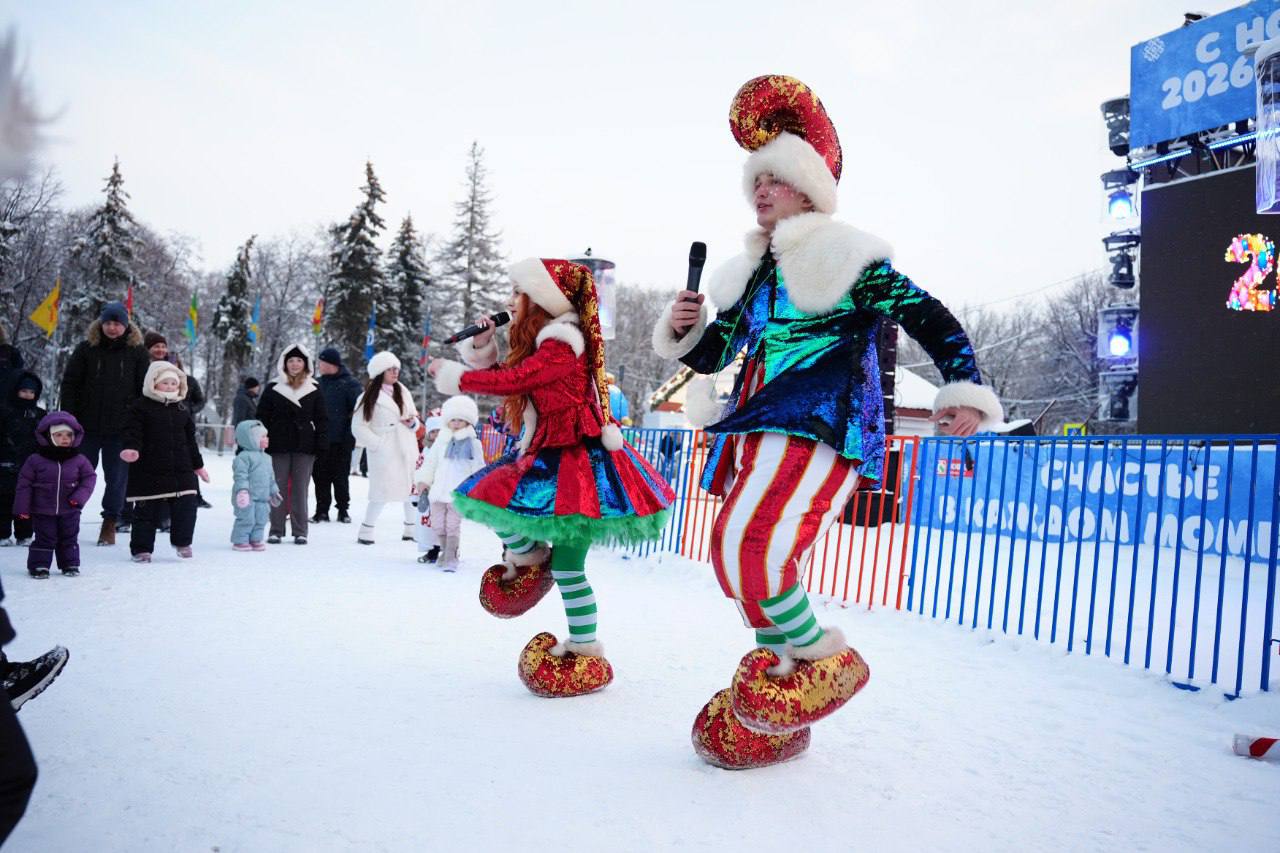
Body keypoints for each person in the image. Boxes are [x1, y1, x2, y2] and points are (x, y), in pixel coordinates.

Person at [654, 76, 1002, 768]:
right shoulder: (758, 272)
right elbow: (721, 350)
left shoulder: (847, 255)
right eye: (756, 182)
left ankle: (823, 659)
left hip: (823, 420)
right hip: (761, 419)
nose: (761, 192)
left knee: (752, 547)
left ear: (809, 190)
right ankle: (777, 698)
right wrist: (686, 329)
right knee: (738, 552)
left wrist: (963, 388)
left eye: (776, 180)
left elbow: (929, 315)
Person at [430, 258, 674, 697]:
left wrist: (460, 377)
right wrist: (483, 346)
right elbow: (516, 375)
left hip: (582, 467)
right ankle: (531, 557)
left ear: (538, 301)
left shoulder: (564, 343)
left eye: (517, 294)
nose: (510, 301)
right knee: (488, 502)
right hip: (544, 458)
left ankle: (584, 648)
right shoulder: (541, 343)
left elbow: (522, 378)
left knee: (568, 567)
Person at [59, 302, 149, 546]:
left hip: (121, 429)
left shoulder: (138, 352)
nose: (112, 328)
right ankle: (69, 517)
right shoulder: (86, 349)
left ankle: (110, 520)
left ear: (126, 325)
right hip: (85, 426)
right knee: (77, 475)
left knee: (116, 478)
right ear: (101, 324)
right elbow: (70, 384)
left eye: (117, 323)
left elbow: (145, 390)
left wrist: (138, 422)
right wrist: (68, 419)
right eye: (108, 323)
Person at [119, 361, 209, 562]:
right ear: (153, 383)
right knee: (146, 511)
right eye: (165, 382)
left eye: (173, 383)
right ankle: (142, 549)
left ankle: (183, 541)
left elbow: (190, 440)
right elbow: (132, 431)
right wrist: (131, 448)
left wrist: (198, 465)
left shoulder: (182, 409)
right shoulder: (140, 407)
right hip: (149, 468)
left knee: (187, 504)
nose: (169, 387)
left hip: (181, 468)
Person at [255, 345, 327, 545]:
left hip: (305, 446)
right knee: (277, 488)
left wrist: (321, 442)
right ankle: (276, 529)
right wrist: (261, 437)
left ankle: (300, 530)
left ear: (305, 364)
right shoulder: (273, 387)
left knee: (300, 489)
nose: (295, 364)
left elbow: (322, 419)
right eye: (291, 361)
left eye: (299, 361)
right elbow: (261, 416)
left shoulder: (314, 388)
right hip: (278, 445)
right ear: (284, 363)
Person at [13, 413, 96, 578]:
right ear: (48, 437)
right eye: (59, 435)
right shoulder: (35, 460)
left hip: (70, 508)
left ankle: (70, 564)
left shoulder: (79, 459)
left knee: (69, 537)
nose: (65, 438)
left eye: (68, 435)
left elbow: (89, 478)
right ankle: (39, 566)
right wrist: (22, 508)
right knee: (45, 537)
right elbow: (24, 484)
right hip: (42, 509)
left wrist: (78, 498)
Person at [352, 351, 420, 545]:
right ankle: (366, 529)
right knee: (381, 492)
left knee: (410, 490)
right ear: (380, 372)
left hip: (406, 445)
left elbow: (413, 416)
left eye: (396, 369)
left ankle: (410, 529)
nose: (395, 372)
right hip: (385, 449)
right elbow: (358, 427)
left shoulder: (403, 391)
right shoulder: (368, 397)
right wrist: (377, 444)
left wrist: (412, 424)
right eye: (390, 369)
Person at [414, 397, 485, 571]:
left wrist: (475, 490)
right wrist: (424, 480)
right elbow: (430, 463)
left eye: (460, 420)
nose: (456, 423)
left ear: (468, 421)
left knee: (452, 525)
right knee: (438, 524)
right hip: (438, 491)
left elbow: (478, 468)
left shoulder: (473, 444)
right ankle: (444, 552)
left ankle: (451, 557)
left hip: (457, 494)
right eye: (453, 419)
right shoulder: (441, 441)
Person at [311, 347, 362, 524]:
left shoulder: (350, 384)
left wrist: (350, 434)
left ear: (331, 364)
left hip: (342, 440)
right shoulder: (316, 384)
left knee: (340, 476)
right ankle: (321, 510)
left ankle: (343, 510)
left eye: (322, 362)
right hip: (321, 438)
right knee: (320, 476)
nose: (319, 365)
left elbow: (357, 412)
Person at [0, 373, 44, 546]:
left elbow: (44, 439)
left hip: (30, 466)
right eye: (24, 391)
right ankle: (2, 533)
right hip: (5, 464)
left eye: (31, 392)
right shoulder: (5, 412)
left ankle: (24, 533)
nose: (27, 395)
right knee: (4, 501)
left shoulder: (39, 415)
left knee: (26, 503)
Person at [230, 420, 282, 552]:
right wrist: (242, 491)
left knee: (261, 519)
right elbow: (241, 476)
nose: (266, 439)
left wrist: (274, 491)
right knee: (247, 519)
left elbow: (271, 477)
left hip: (263, 498)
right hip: (247, 497)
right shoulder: (243, 457)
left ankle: (255, 539)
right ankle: (240, 540)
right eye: (262, 437)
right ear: (250, 439)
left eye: (266, 436)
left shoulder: (267, 458)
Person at [415, 415, 444, 563]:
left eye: (440, 431)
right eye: (433, 431)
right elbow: (419, 470)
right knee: (428, 526)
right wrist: (417, 493)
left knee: (444, 524)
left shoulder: (446, 449)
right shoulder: (426, 450)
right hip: (427, 494)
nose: (436, 435)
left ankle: (448, 550)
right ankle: (432, 551)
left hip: (442, 493)